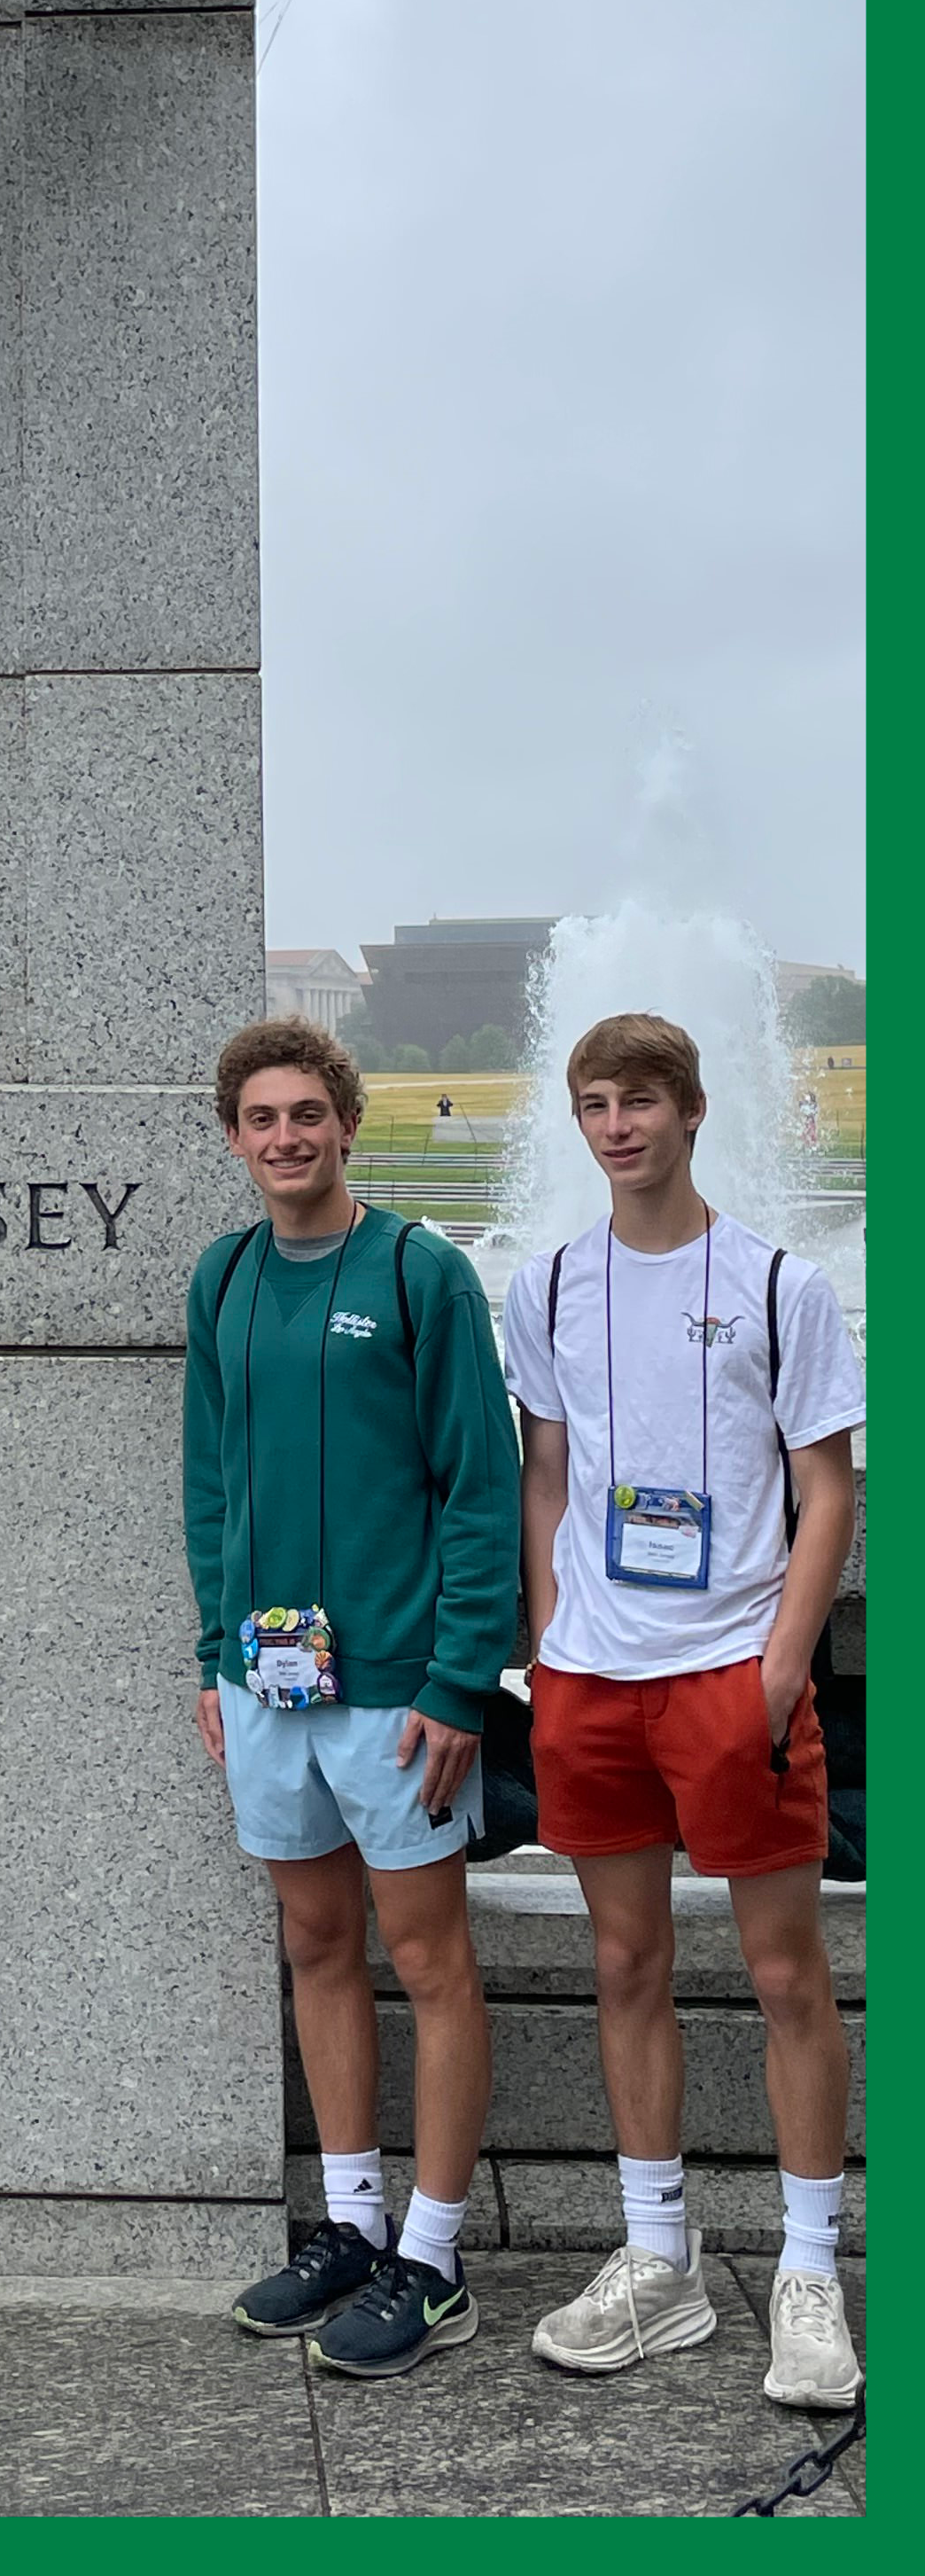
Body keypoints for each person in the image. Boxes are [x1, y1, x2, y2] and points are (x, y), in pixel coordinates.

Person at [507, 1011, 863, 2408]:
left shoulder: (783, 1284)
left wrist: (779, 1668)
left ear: (692, 1111)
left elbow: (828, 1487)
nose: (615, 1125)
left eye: (639, 1100)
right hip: (594, 1677)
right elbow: (546, 1470)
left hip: (732, 1672)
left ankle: (807, 2274)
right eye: (593, 1102)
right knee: (623, 1966)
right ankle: (657, 2262)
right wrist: (548, 1641)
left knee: (784, 1977)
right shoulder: (543, 1285)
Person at [184, 1019, 517, 2377]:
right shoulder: (221, 1279)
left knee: (429, 1960)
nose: (285, 1138)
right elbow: (210, 1485)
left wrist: (456, 1680)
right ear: (232, 1139)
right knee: (317, 1947)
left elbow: (479, 1490)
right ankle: (351, 2223)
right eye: (260, 1119)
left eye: (307, 1114)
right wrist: (213, 1652)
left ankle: (431, 2259)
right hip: (265, 1683)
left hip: (396, 1692)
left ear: (346, 1122)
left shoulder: (420, 1273)